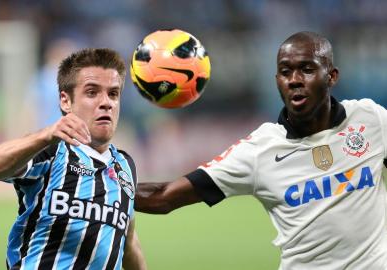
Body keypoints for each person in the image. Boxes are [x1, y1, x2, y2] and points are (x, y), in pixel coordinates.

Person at [134, 31, 387, 269]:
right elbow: (165, 196)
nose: (295, 80)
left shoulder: (370, 118)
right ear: (277, 80)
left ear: (331, 76)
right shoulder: (259, 151)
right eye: (285, 72)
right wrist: (102, 188)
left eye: (307, 70)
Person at [0, 48, 147, 270]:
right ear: (65, 101)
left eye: (113, 94)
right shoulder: (52, 150)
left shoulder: (125, 166)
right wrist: (47, 134)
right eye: (92, 92)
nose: (106, 102)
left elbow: (127, 241)